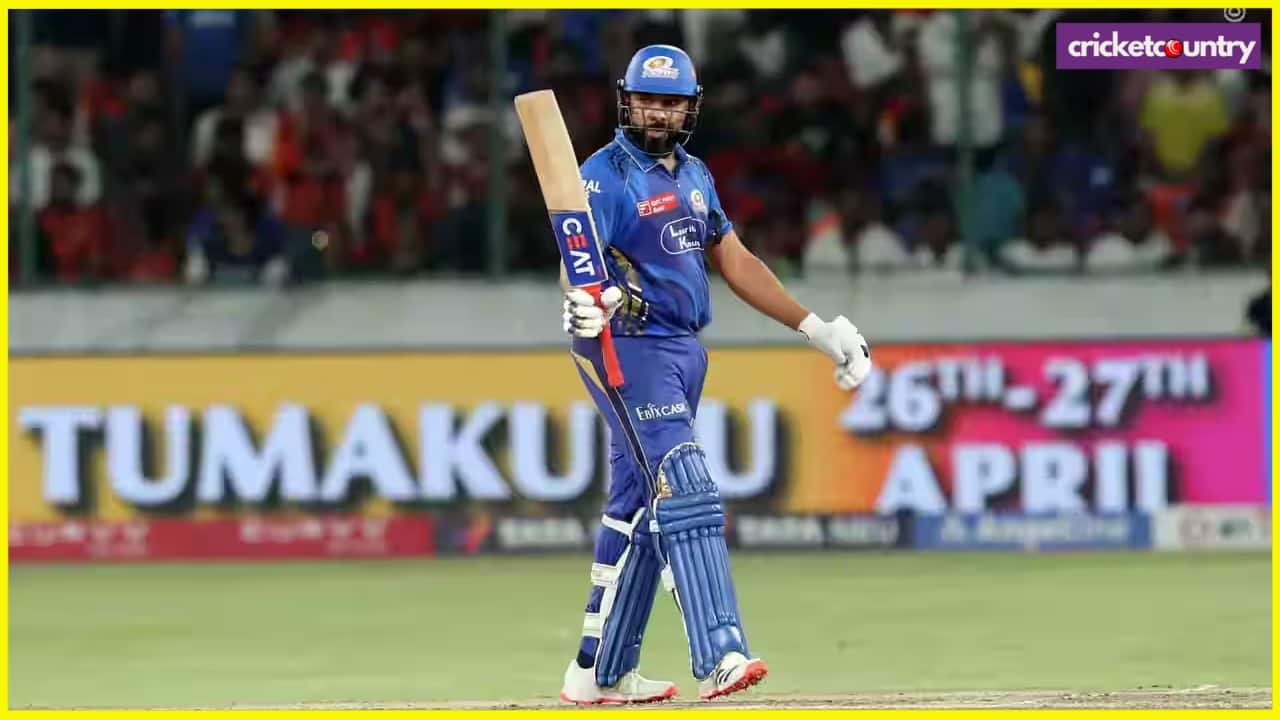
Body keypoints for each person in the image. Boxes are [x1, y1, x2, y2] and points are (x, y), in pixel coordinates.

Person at [556, 45, 873, 705]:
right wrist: (586, 302)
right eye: (648, 100)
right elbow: (576, 258)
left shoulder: (696, 174)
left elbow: (736, 261)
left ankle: (598, 671)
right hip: (627, 347)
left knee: (638, 506)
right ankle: (720, 653)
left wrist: (816, 328)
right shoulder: (604, 176)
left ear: (690, 108)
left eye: (670, 102)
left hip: (682, 349)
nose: (658, 112)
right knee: (685, 484)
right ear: (627, 101)